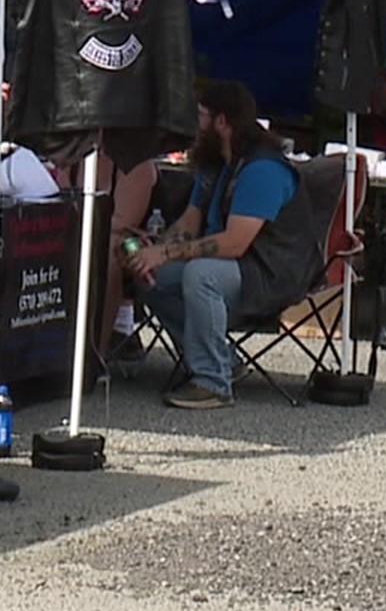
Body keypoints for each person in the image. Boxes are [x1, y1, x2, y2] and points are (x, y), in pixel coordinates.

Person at [123, 82, 316, 410]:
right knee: (152, 276)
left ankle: (213, 382)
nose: (195, 126)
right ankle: (223, 358)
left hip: (272, 275)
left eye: (201, 117)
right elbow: (189, 222)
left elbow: (234, 244)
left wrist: (164, 253)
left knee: (201, 274)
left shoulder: (263, 169)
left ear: (222, 122)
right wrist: (154, 249)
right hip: (239, 269)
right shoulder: (217, 163)